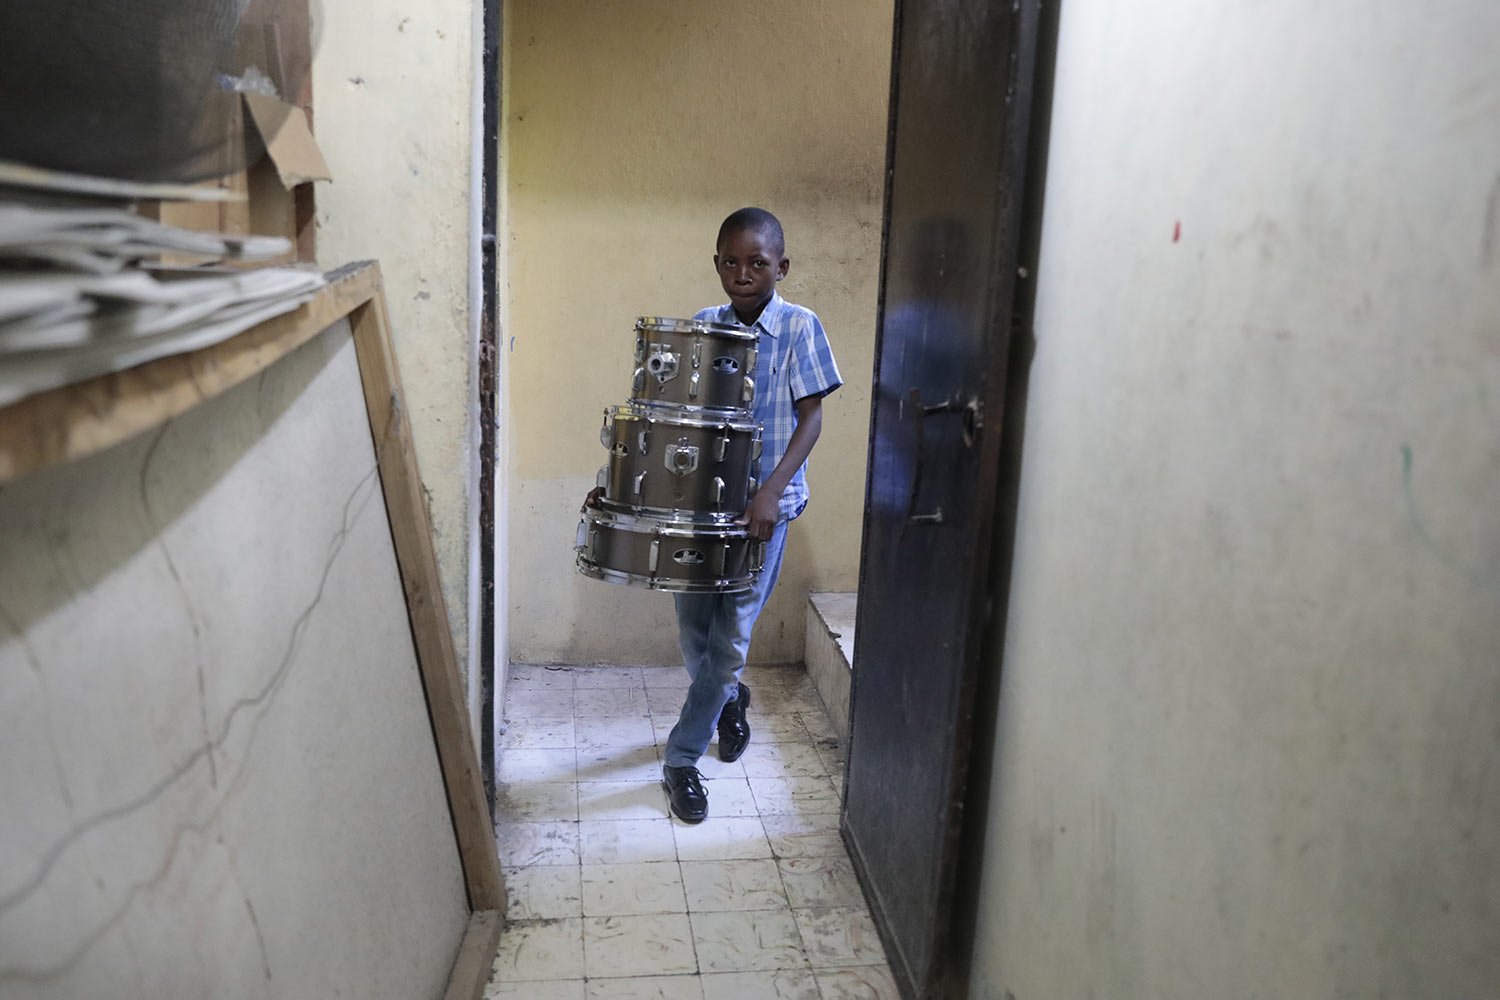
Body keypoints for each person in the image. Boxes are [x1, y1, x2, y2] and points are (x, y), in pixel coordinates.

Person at [587, 207, 842, 823]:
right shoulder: (703, 327)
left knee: (730, 635)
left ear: (782, 266)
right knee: (693, 627)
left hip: (763, 507)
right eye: (731, 260)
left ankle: (681, 759)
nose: (744, 272)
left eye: (758, 262)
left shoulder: (801, 327)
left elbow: (812, 418)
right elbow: (667, 421)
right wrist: (619, 489)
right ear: (717, 265)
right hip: (697, 505)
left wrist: (769, 493)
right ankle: (730, 699)